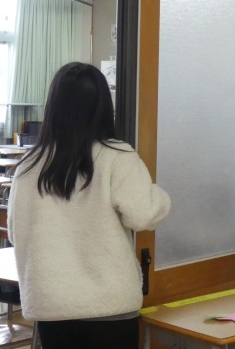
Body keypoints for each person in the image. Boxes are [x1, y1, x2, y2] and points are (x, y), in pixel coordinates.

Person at [8, 62, 171, 349]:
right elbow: (143, 215)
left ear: (53, 106)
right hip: (109, 308)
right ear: (103, 107)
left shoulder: (29, 165)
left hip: (51, 307)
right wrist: (158, 195)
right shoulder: (116, 156)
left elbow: (14, 232)